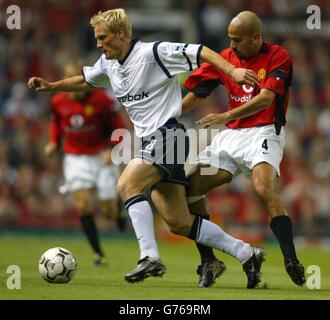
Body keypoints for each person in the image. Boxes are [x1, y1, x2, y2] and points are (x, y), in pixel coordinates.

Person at [28, 8, 265, 289]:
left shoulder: (154, 52)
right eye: (97, 38)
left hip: (169, 135)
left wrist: (232, 70)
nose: (98, 44)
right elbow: (85, 79)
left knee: (127, 185)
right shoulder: (107, 63)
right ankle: (247, 253)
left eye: (103, 38)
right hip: (155, 141)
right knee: (177, 221)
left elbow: (201, 50)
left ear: (121, 34)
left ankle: (149, 256)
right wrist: (52, 85)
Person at [182, 11, 306, 287]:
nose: (233, 45)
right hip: (231, 136)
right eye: (230, 39)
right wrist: (168, 114)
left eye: (238, 40)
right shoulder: (226, 57)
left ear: (256, 37)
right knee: (189, 189)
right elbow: (197, 93)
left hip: (263, 131)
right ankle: (209, 261)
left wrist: (223, 117)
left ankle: (291, 260)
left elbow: (266, 99)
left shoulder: (278, 56)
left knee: (263, 188)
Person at [44, 61, 126, 266]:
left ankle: (119, 208)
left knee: (108, 212)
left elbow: (119, 127)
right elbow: (56, 123)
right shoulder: (58, 101)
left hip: (101, 157)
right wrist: (54, 142)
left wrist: (111, 149)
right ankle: (98, 253)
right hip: (74, 158)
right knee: (83, 206)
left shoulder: (102, 100)